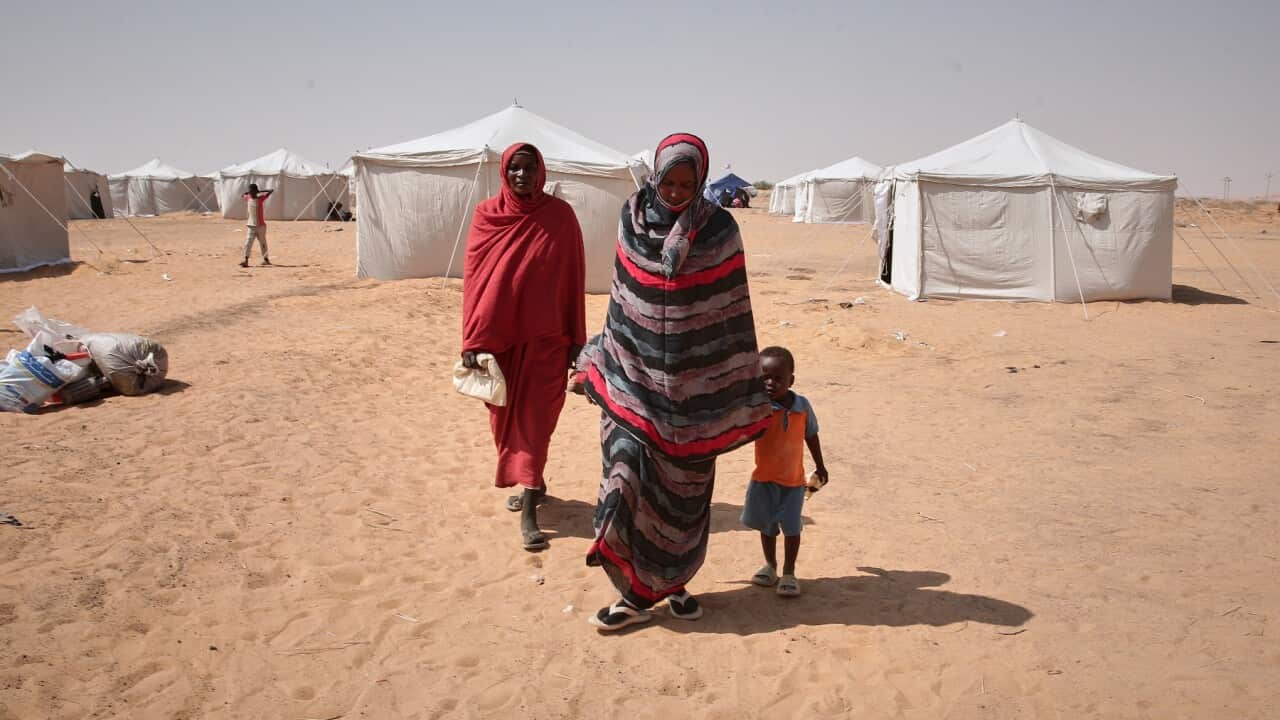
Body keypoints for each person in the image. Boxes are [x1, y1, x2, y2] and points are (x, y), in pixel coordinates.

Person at [580, 133, 772, 631]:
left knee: (682, 504)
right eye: (670, 181)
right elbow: (624, 301)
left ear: (702, 181)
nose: (678, 191)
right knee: (625, 482)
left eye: (689, 183)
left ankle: (675, 583)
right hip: (632, 383)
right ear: (656, 176)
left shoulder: (720, 230)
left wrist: (732, 387)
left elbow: (731, 313)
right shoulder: (633, 217)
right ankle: (633, 595)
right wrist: (605, 359)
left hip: (695, 399)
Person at [461, 143, 586, 552]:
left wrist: (576, 341)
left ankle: (531, 506)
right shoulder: (486, 216)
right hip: (500, 342)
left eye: (529, 168)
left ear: (541, 171)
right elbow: (476, 283)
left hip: (549, 341)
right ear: (504, 171)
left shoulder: (560, 217)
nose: (521, 175)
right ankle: (537, 480)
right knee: (502, 421)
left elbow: (573, 281)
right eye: (514, 168)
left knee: (535, 423)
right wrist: (472, 340)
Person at [741, 346, 828, 598]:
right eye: (764, 377)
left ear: (791, 380)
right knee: (767, 527)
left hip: (792, 483)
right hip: (763, 480)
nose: (770, 383)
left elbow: (811, 434)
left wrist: (821, 466)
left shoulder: (802, 406)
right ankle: (770, 566)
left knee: (792, 528)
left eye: (778, 378)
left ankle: (789, 572)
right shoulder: (758, 408)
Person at [240, 183, 274, 267]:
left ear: (256, 192)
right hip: (251, 226)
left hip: (261, 226)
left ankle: (266, 259)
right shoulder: (248, 198)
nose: (251, 193)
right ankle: (246, 260)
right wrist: (249, 192)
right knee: (248, 243)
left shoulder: (261, 198)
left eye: (252, 192)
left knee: (263, 243)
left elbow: (271, 191)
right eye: (250, 192)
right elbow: (242, 195)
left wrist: (260, 191)